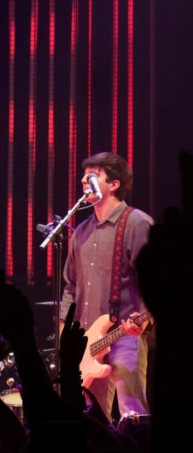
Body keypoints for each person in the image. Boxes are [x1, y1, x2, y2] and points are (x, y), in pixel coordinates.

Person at [58, 151, 152, 422]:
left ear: (114, 184)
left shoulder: (137, 224)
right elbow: (70, 287)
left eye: (93, 176)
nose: (85, 183)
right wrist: (65, 330)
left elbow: (155, 278)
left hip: (125, 336)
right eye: (83, 178)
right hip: (86, 341)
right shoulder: (81, 232)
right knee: (89, 421)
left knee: (132, 415)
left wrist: (143, 319)